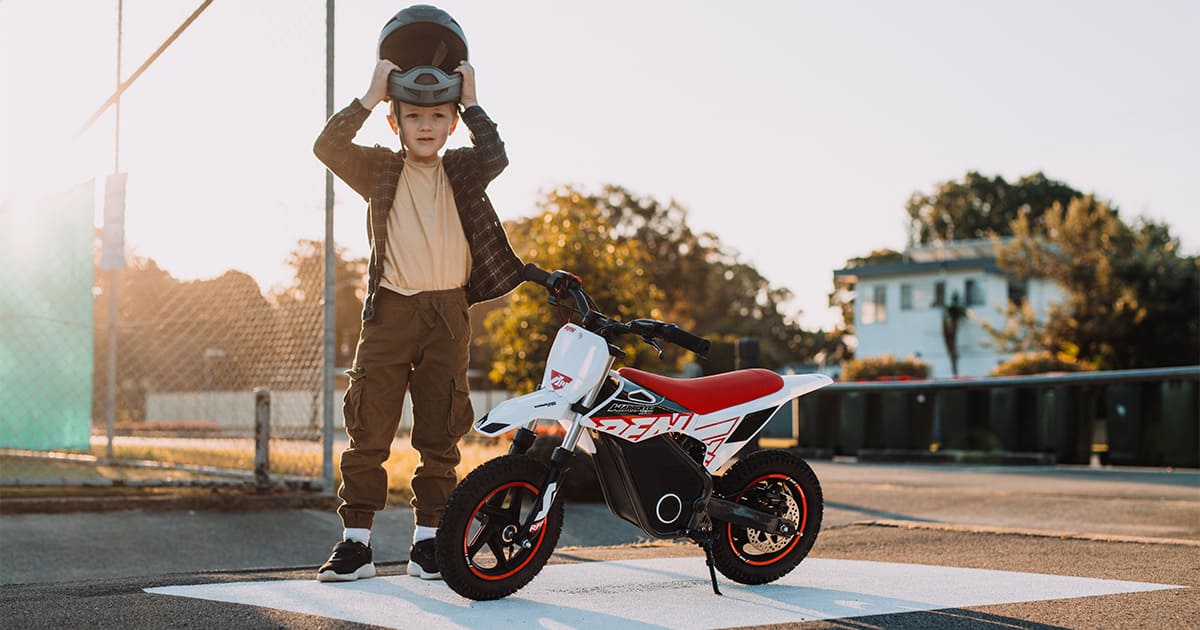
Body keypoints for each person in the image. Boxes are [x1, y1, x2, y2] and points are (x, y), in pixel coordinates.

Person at [312, 54, 523, 582]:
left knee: (439, 432)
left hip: (448, 314)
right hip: (390, 311)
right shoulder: (380, 169)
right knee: (369, 427)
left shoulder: (464, 169)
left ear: (451, 122)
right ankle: (355, 545)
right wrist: (370, 93)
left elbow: (495, 153)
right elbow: (328, 147)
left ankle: (427, 543)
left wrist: (472, 101)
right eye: (412, 116)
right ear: (395, 120)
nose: (425, 126)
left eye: (437, 117)